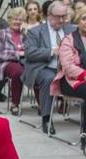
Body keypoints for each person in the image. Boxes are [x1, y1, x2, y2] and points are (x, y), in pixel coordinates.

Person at [24, 0, 75, 134]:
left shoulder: (71, 29)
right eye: (59, 17)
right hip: (44, 67)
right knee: (49, 79)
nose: (62, 20)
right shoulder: (36, 32)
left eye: (64, 16)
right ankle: (46, 118)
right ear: (49, 16)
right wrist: (52, 51)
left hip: (68, 69)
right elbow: (30, 53)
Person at [51, 7, 86, 136]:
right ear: (77, 21)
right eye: (84, 19)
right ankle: (85, 136)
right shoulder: (68, 40)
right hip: (70, 81)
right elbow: (67, 66)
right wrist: (84, 75)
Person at [0, 7, 27, 115]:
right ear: (9, 19)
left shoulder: (25, 34)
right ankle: (15, 103)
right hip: (5, 63)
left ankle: (41, 105)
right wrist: (17, 54)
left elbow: (31, 50)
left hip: (25, 62)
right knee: (18, 71)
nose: (17, 22)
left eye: (20, 19)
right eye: (15, 19)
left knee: (36, 70)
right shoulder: (1, 34)